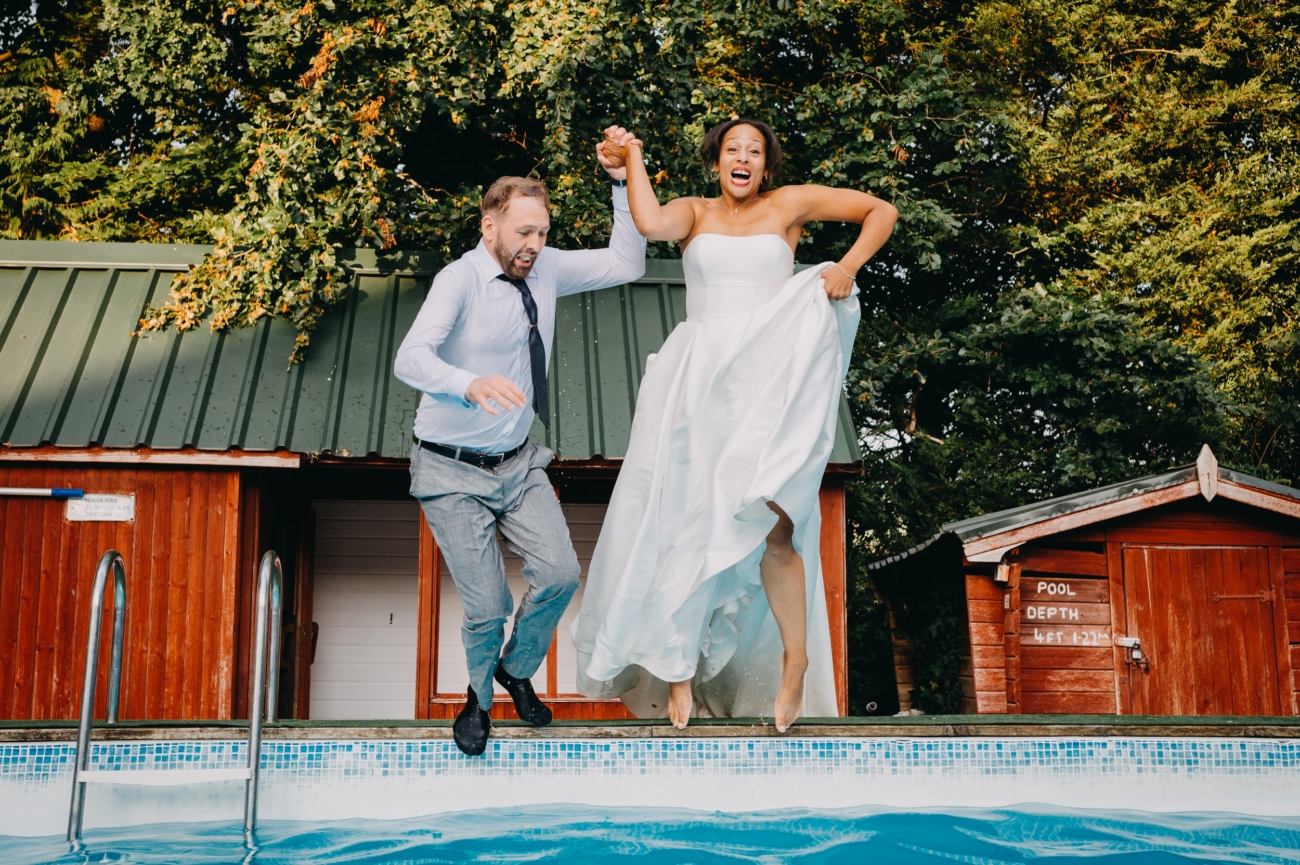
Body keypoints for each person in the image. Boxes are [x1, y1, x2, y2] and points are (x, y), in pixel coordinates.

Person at [571, 119, 898, 732]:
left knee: (778, 522)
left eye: (754, 151)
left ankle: (795, 662)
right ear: (717, 162)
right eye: (732, 150)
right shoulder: (692, 212)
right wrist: (633, 155)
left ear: (765, 166)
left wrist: (848, 266)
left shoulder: (789, 203)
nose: (742, 158)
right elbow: (648, 223)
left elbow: (881, 210)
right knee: (686, 522)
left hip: (766, 380)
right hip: (698, 381)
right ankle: (679, 674)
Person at [394, 132, 645, 756]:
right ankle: (480, 697)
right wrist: (467, 383)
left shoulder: (550, 266)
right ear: (490, 226)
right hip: (449, 470)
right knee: (488, 605)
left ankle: (516, 668)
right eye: (523, 233)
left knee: (561, 574)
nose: (534, 245)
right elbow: (410, 358)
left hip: (517, 463)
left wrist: (620, 183)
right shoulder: (459, 281)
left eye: (543, 232)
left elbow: (628, 263)